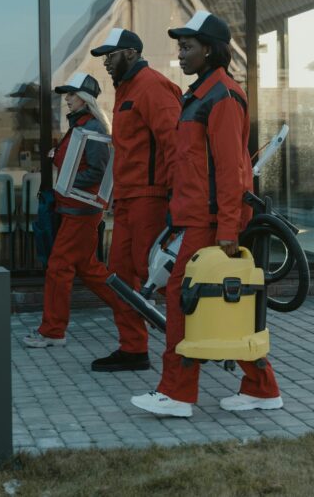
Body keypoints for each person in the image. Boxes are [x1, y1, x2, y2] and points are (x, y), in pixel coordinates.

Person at [130, 11, 283, 418]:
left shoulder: (222, 98)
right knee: (221, 304)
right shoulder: (198, 97)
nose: (180, 54)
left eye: (187, 47)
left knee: (186, 301)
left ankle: (177, 393)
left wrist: (229, 230)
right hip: (193, 219)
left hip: (212, 224)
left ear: (210, 50)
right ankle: (262, 388)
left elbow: (233, 170)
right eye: (180, 46)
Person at [87, 28, 184, 372]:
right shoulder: (126, 90)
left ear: (130, 53)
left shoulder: (153, 87)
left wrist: (177, 196)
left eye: (110, 57)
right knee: (120, 276)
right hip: (128, 200)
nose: (106, 65)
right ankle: (133, 349)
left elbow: (175, 143)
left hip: (152, 198)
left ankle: (187, 350)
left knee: (154, 276)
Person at [23, 72, 139, 350]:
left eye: (72, 94)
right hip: (75, 209)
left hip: (81, 211)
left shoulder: (92, 128)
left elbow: (97, 172)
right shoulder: (80, 127)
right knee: (89, 269)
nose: (67, 99)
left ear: (85, 99)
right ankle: (133, 309)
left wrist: (67, 180)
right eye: (66, 94)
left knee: (58, 267)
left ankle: (53, 331)